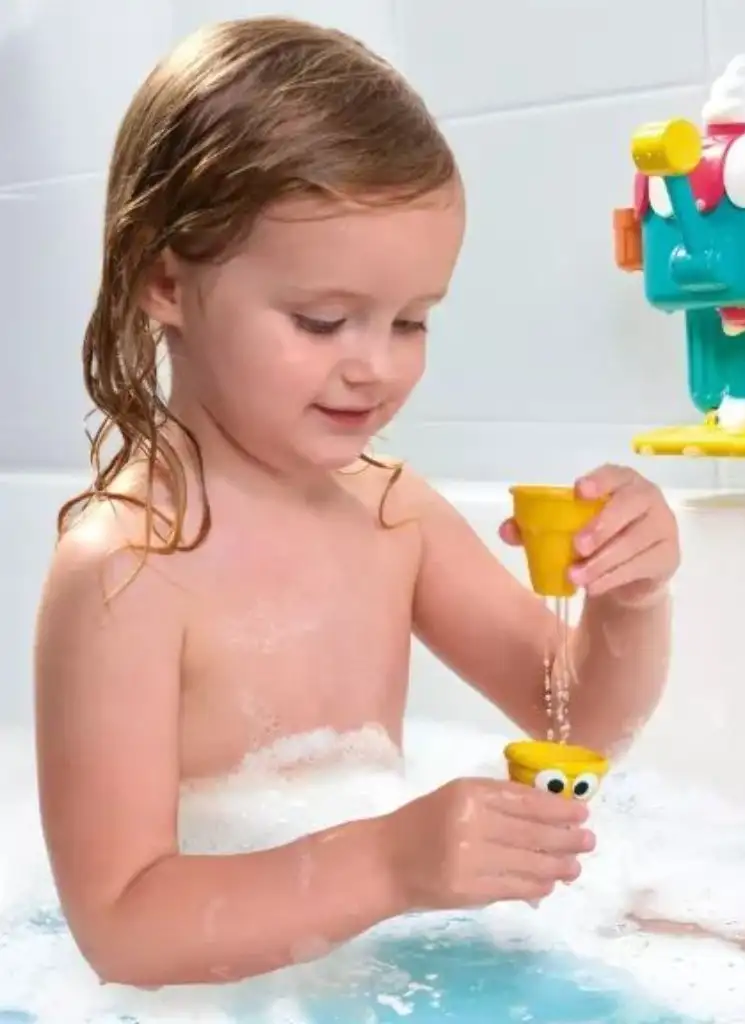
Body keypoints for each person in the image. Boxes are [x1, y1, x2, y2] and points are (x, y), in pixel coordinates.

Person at [33, 17, 679, 989]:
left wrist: (629, 597)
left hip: (368, 970)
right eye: (323, 320)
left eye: (411, 322)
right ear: (166, 279)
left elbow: (577, 722)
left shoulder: (390, 512)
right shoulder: (127, 566)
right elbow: (122, 930)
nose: (374, 366)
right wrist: (388, 863)